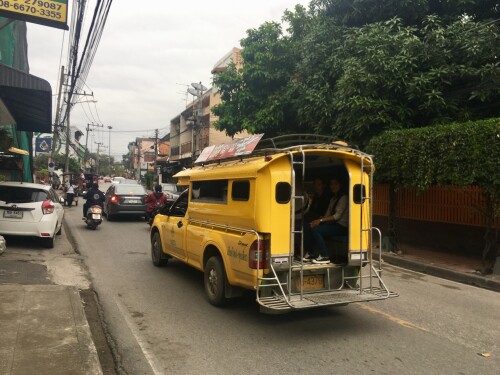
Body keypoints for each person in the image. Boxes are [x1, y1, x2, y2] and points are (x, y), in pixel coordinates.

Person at [308, 178, 349, 264]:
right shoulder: (333, 198)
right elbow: (328, 214)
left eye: (335, 184)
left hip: (341, 227)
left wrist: (321, 220)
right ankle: (313, 253)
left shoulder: (344, 197)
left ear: (340, 185)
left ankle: (325, 256)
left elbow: (337, 216)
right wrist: (318, 220)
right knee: (312, 226)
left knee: (316, 230)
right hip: (333, 225)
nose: (333, 186)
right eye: (331, 184)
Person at [299, 177, 332, 260]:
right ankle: (305, 251)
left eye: (319, 184)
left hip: (324, 219)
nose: (316, 187)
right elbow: (311, 210)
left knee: (307, 226)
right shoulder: (316, 196)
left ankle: (311, 252)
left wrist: (319, 218)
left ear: (324, 185)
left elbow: (327, 212)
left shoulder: (328, 197)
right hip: (316, 217)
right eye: (315, 184)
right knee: (300, 224)